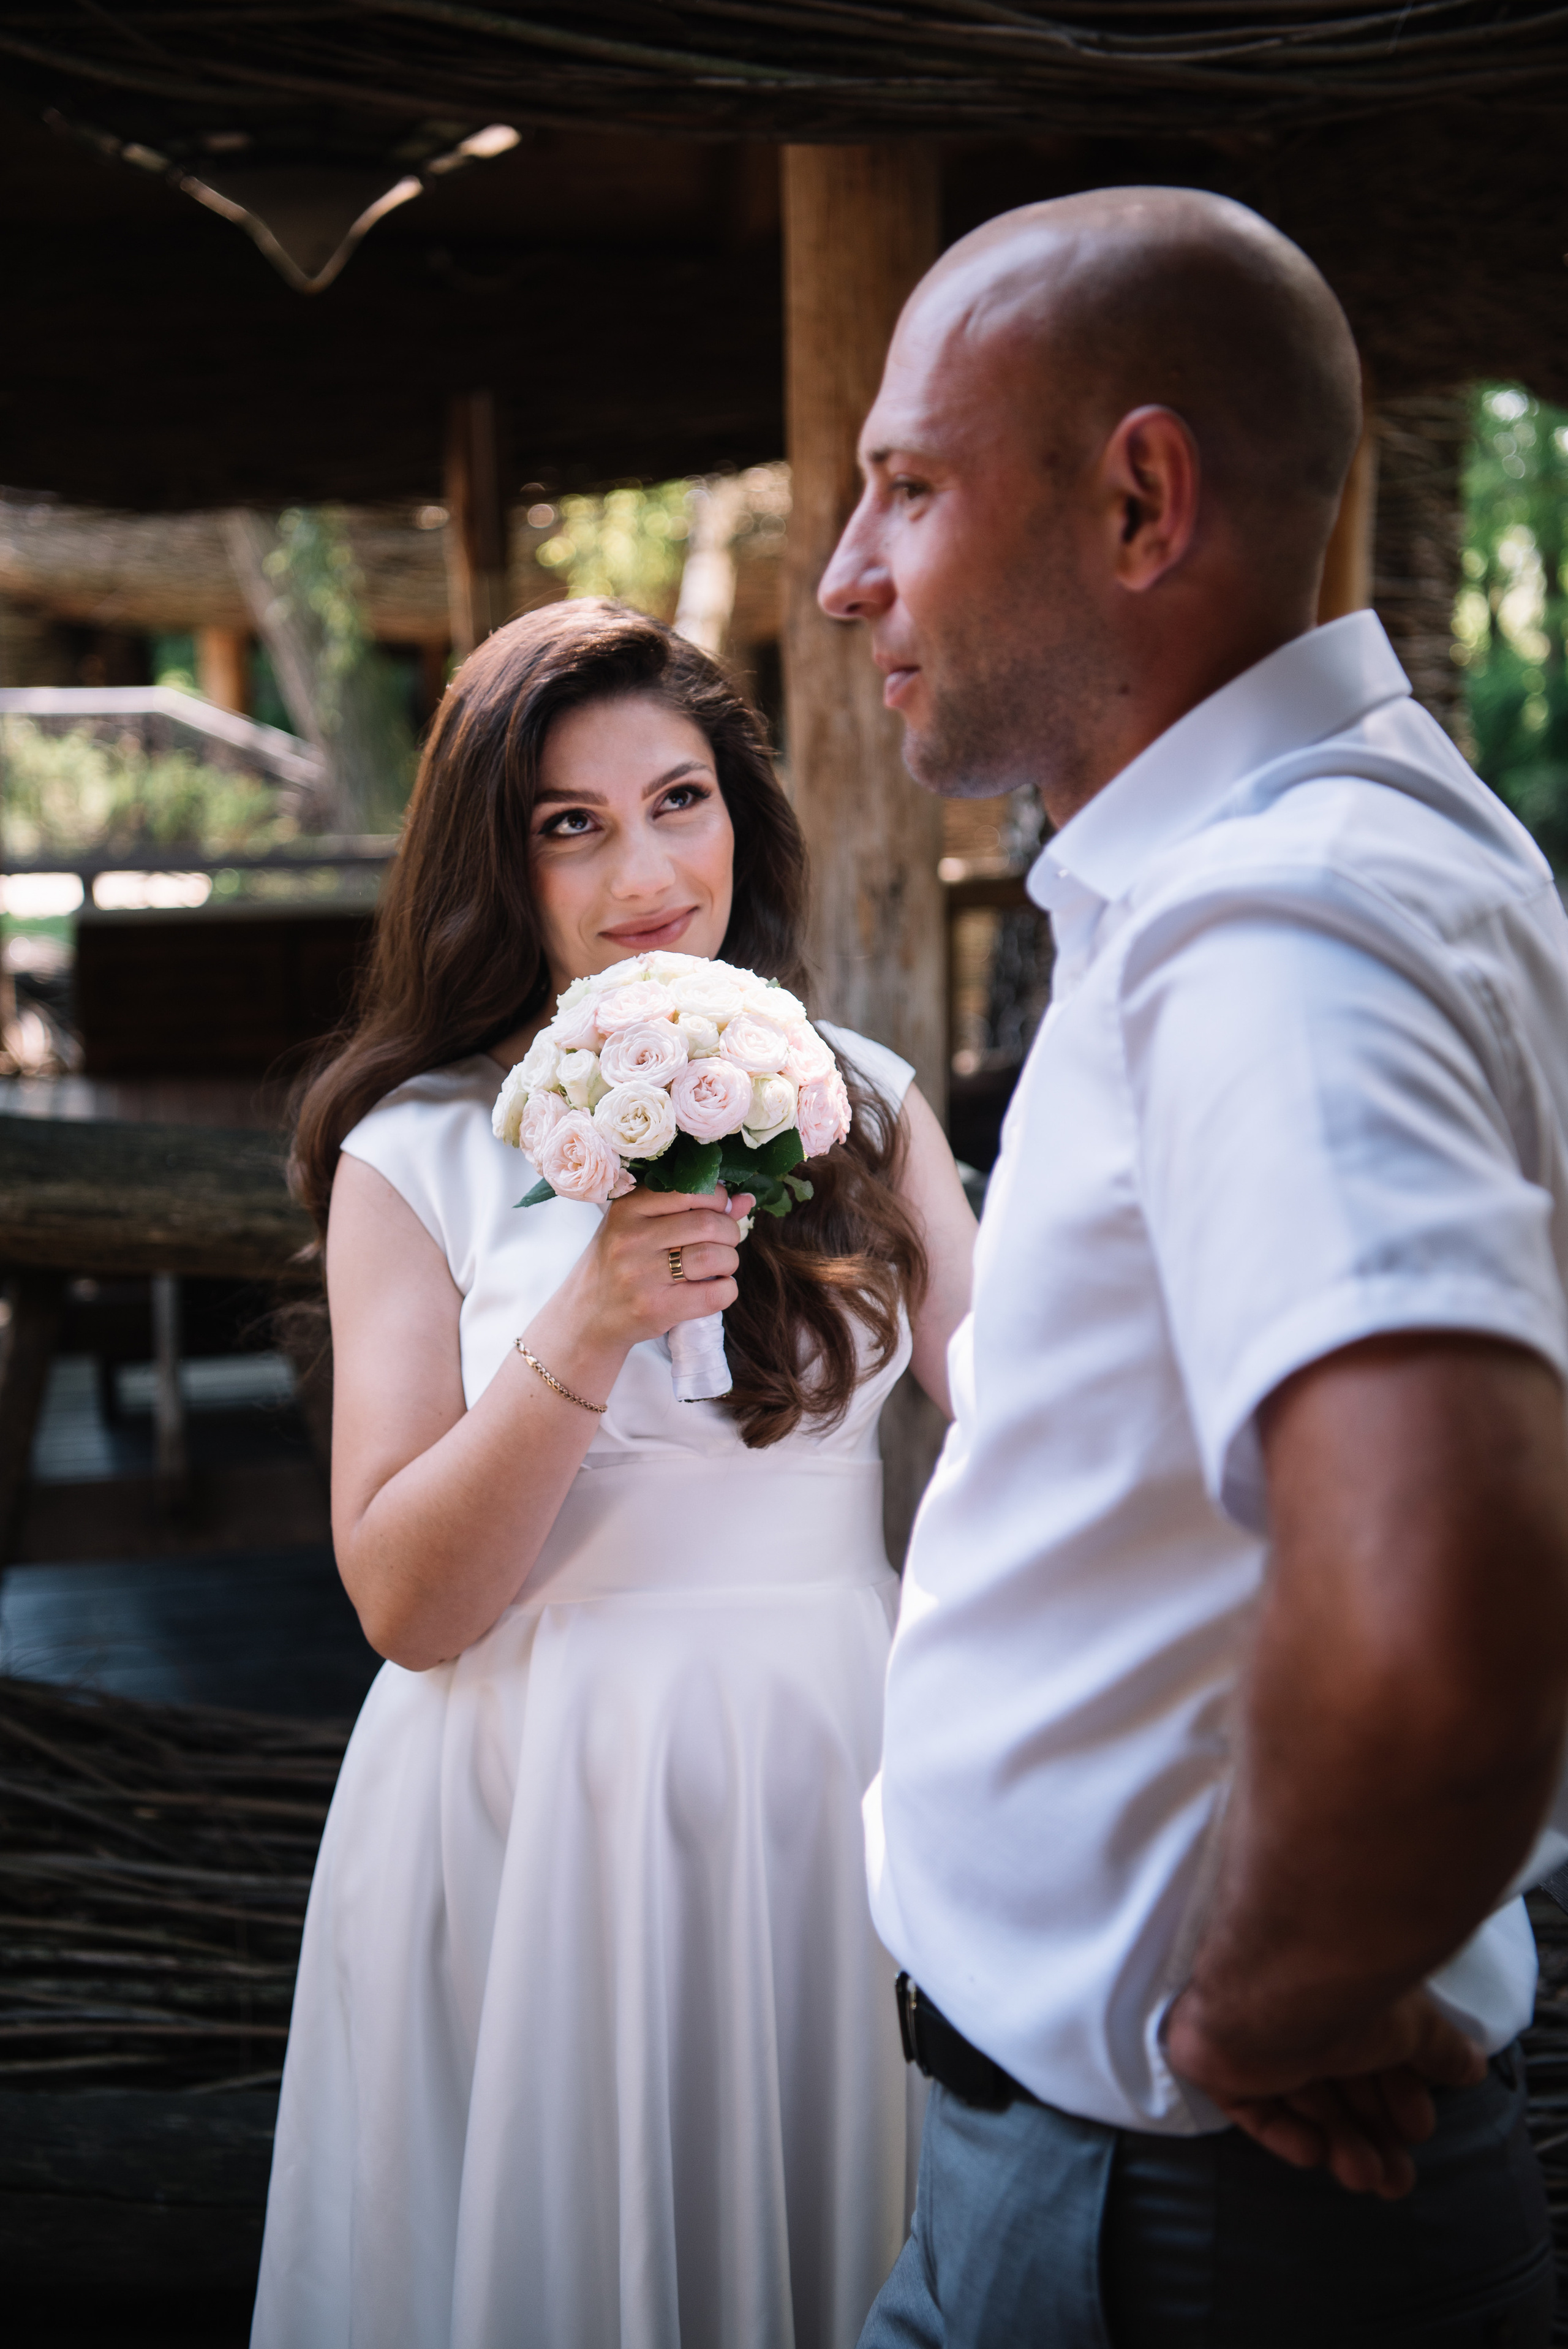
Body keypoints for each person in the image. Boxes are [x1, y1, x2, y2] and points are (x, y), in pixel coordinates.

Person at [820, 187, 1568, 2347]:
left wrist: (1258, 2001)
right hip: (1123, 2201)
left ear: (1143, 499)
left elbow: (1443, 1622)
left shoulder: (1278, 921)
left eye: (910, 487)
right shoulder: (1356, 847)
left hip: (1177, 2235)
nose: (848, 570)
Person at [249, 600, 975, 2349]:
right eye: (570, 822)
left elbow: (1035, 1424)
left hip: (831, 1770)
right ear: (497, 865)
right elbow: (406, 1602)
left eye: (681, 798)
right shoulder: (411, 1150)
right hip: (536, 1789)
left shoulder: (868, 1105)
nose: (647, 866)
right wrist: (579, 1325)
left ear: (742, 811)